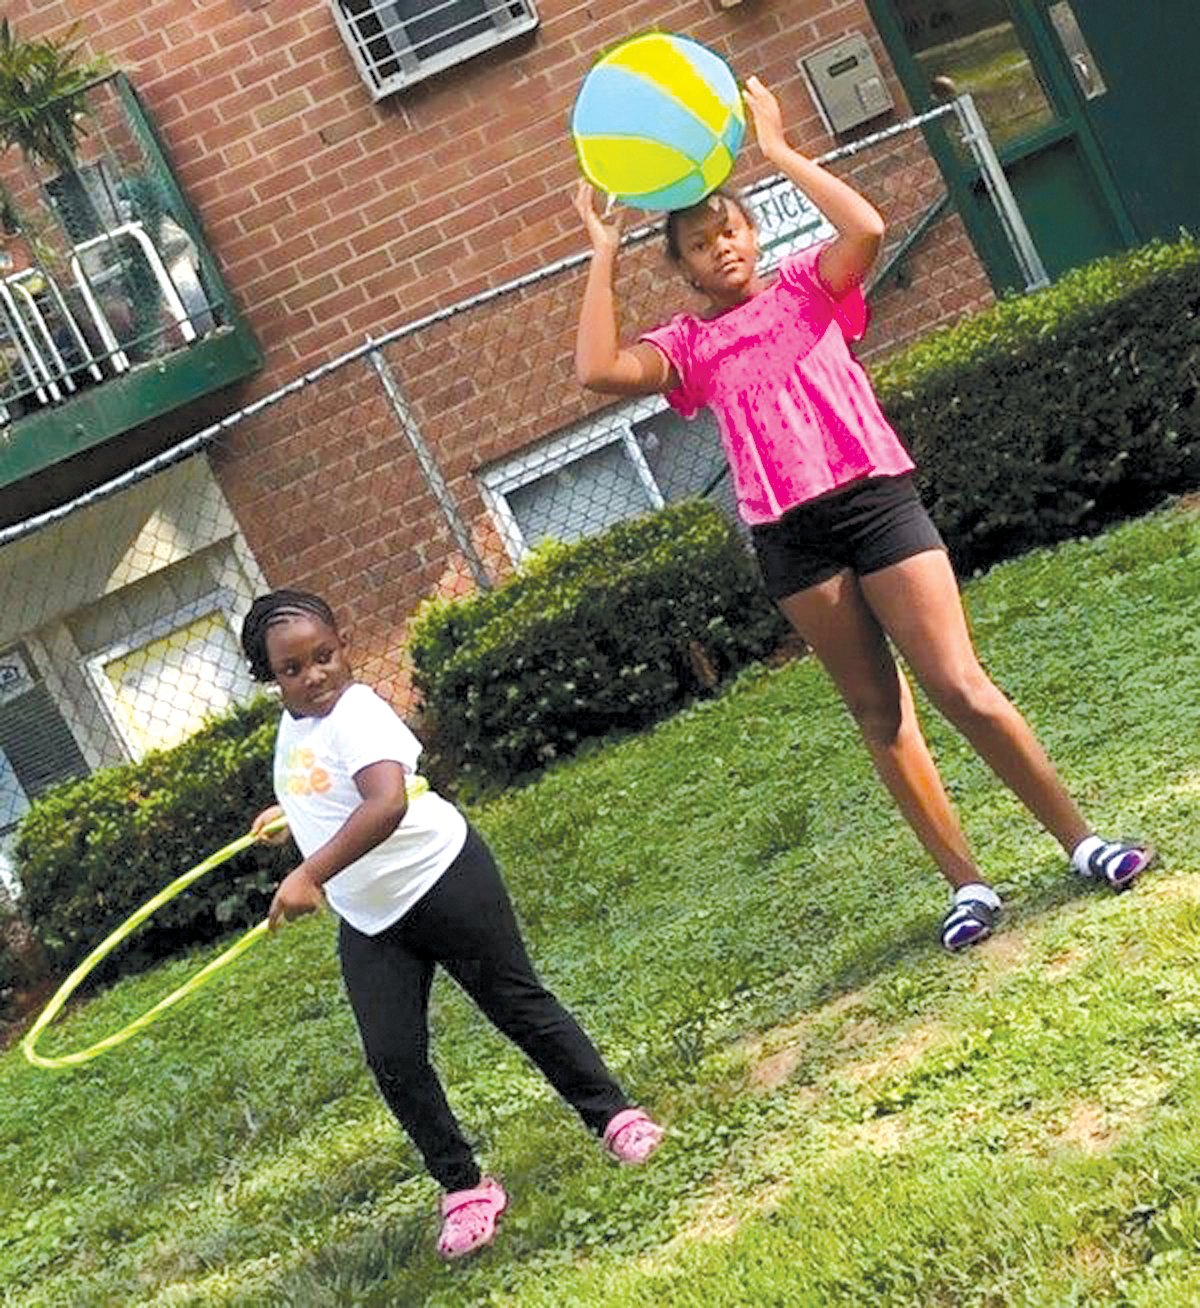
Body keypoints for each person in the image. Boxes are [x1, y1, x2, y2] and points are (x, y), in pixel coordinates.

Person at [572, 75, 1152, 953]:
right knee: (880, 716)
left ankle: (1084, 842)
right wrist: (604, 249)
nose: (720, 247)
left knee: (960, 686)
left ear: (752, 232)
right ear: (683, 267)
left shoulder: (809, 286)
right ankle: (968, 887)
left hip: (876, 504)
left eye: (729, 228)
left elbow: (869, 228)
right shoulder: (687, 347)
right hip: (791, 540)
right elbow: (596, 370)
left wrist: (779, 152)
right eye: (699, 243)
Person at [240, 589, 662, 1260]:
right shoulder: (297, 726)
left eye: (325, 656)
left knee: (517, 1003)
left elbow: (384, 805)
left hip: (443, 877)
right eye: (294, 669)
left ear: (342, 647)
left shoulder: (359, 711)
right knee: (393, 1056)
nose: (315, 675)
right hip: (373, 916)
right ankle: (464, 1188)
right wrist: (292, 807)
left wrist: (308, 874)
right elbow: (329, 778)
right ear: (271, 680)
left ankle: (614, 1116)